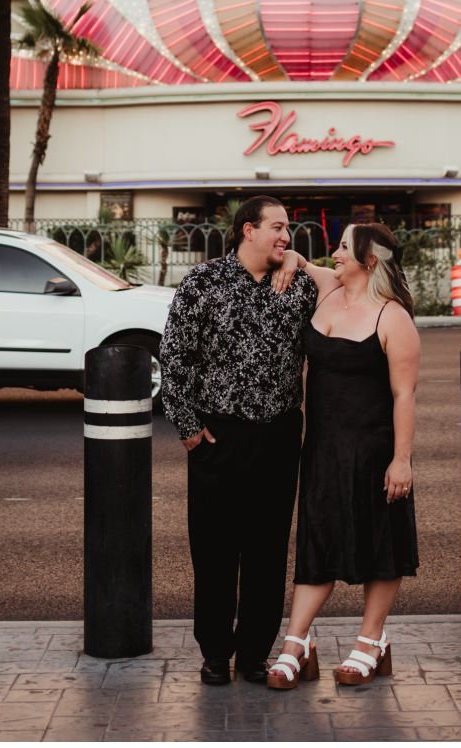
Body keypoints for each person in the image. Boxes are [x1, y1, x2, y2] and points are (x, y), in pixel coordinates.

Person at [158, 196, 317, 685]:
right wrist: (186, 427)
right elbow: (174, 356)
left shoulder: (299, 286)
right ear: (248, 230)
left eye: (287, 229)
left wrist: (298, 260)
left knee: (268, 550)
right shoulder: (202, 283)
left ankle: (253, 654)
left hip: (279, 435)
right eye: (277, 228)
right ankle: (213, 653)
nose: (286, 236)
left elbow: (348, 288)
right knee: (214, 550)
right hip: (217, 436)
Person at [265, 223, 421, 691]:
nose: (334, 253)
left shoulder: (393, 317)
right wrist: (292, 260)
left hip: (375, 450)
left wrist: (402, 459)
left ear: (369, 261)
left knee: (380, 543)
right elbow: (298, 261)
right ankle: (297, 642)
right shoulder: (329, 287)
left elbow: (404, 395)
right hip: (322, 447)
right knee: (319, 542)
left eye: (344, 248)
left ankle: (371, 640)